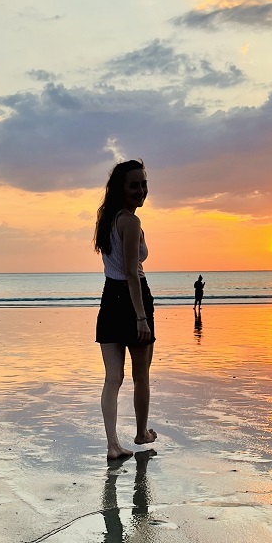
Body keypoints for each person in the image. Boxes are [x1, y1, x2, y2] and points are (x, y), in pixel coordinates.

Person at [94, 159, 157, 461]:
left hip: (109, 298)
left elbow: (117, 268)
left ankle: (112, 445)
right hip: (133, 299)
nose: (141, 190)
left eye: (143, 183)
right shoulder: (131, 222)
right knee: (140, 374)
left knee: (112, 378)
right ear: (121, 188)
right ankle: (141, 433)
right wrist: (141, 317)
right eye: (134, 184)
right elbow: (132, 272)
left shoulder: (106, 220)